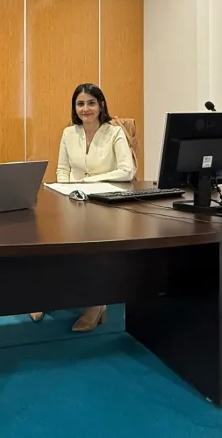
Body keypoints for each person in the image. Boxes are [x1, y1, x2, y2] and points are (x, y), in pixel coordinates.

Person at [30, 83, 135, 331]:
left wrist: (86, 182)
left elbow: (127, 171)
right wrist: (64, 192)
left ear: (101, 105)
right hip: (73, 200)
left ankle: (96, 304)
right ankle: (48, 295)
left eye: (91, 103)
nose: (85, 108)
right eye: (80, 103)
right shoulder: (69, 133)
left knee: (92, 245)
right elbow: (63, 170)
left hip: (107, 204)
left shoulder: (114, 132)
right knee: (49, 240)